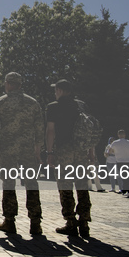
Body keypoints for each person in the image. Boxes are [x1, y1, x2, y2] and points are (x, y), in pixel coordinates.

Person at [0, 72, 44, 235]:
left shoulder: (0, 103)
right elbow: (39, 129)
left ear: (8, 84)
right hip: (28, 150)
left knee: (9, 184)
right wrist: (38, 150)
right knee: (32, 184)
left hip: (8, 150)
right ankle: (35, 222)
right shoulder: (33, 103)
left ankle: (10, 221)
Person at [46, 79, 94, 238]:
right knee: (82, 185)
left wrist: (50, 152)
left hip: (63, 150)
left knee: (65, 186)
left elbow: (50, 130)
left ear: (59, 90)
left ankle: (70, 222)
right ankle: (84, 222)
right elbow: (89, 130)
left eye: (56, 90)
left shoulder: (53, 107)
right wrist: (91, 152)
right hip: (80, 150)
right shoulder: (81, 105)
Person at [108, 129, 129, 197]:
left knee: (123, 176)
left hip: (120, 161)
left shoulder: (115, 143)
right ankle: (125, 190)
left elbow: (109, 152)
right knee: (127, 176)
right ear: (125, 135)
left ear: (118, 135)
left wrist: (115, 151)